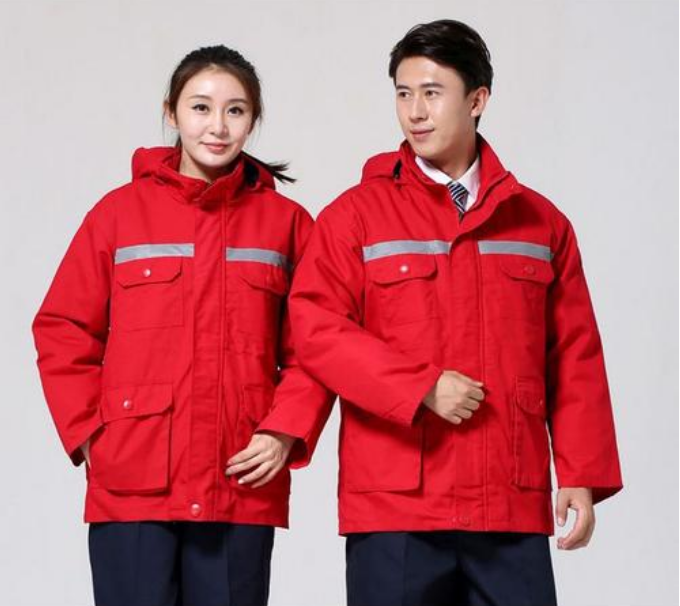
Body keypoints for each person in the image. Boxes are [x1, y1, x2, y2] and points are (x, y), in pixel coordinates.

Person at [288, 20, 623, 606]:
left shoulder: (540, 223)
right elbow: (316, 329)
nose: (415, 112)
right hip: (395, 506)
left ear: (477, 99)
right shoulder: (354, 217)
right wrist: (418, 387)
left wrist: (580, 473)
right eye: (403, 93)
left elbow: (574, 354)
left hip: (507, 499)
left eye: (432, 92)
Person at [32, 45, 332, 606]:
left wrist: (285, 429)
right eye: (200, 107)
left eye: (235, 110)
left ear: (254, 119)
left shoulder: (288, 225)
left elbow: (317, 346)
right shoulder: (118, 215)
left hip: (237, 476)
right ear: (171, 112)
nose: (217, 126)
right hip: (134, 479)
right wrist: (90, 435)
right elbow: (62, 327)